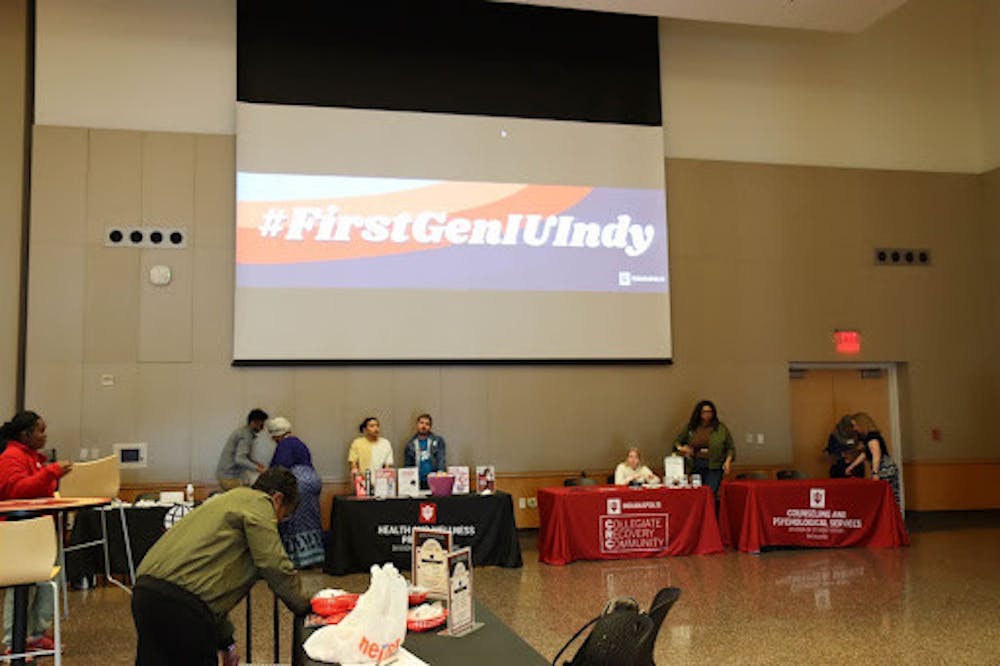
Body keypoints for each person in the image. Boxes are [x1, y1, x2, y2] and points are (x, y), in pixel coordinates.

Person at [131, 467, 311, 666]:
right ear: (277, 499)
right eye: (284, 516)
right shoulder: (260, 503)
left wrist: (226, 642)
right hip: (184, 609)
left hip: (146, 593)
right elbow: (273, 563)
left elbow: (207, 582)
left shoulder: (225, 501)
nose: (278, 522)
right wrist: (304, 606)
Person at [0, 411, 73, 655]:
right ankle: (13, 641)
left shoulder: (33, 458)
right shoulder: (11, 457)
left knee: (46, 581)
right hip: (21, 531)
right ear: (25, 434)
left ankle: (36, 635)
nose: (44, 435)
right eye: (40, 430)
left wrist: (50, 474)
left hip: (41, 529)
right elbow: (17, 490)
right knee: (22, 584)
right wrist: (51, 472)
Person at [266, 417, 325, 568]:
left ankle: (298, 560)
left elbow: (279, 468)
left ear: (277, 434)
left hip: (298, 484)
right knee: (311, 518)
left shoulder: (284, 444)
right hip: (312, 480)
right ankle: (314, 557)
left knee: (292, 520)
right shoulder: (298, 442)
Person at [671, 399, 735, 498]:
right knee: (697, 492)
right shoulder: (691, 428)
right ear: (699, 413)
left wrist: (728, 461)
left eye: (710, 412)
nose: (707, 414)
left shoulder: (720, 428)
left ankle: (709, 512)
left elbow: (730, 447)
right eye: (704, 412)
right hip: (696, 463)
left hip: (714, 465)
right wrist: (683, 449)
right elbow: (677, 443)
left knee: (710, 492)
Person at [845, 412, 901, 506]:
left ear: (861, 424)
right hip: (884, 467)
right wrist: (852, 466)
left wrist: (875, 473)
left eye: (855, 425)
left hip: (884, 468)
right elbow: (866, 454)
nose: (855, 428)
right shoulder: (869, 437)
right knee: (890, 496)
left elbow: (876, 454)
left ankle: (890, 518)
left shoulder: (872, 437)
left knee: (886, 497)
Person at [216, 408, 268, 490]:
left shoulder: (243, 432)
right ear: (254, 422)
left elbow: (243, 456)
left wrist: (256, 464)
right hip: (229, 478)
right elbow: (239, 459)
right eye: (261, 425)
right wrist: (258, 469)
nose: (262, 428)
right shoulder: (246, 436)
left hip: (226, 475)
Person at [402, 414, 446, 489]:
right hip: (417, 481)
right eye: (421, 423)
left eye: (427, 424)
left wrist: (440, 476)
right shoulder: (410, 444)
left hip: (434, 480)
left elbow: (441, 459)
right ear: (417, 425)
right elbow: (407, 466)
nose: (424, 426)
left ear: (430, 427)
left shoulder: (438, 441)